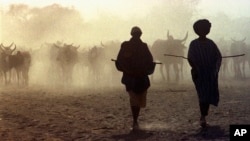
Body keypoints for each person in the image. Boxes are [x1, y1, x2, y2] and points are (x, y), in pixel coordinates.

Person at [115, 26, 154, 130]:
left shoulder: (144, 46)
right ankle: (135, 121)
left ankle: (135, 120)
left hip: (140, 77)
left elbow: (150, 60)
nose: (137, 36)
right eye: (135, 34)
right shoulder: (126, 46)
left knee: (139, 100)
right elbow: (120, 61)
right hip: (131, 77)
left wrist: (147, 67)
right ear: (132, 35)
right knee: (134, 99)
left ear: (140, 35)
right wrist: (128, 70)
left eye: (138, 34)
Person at [187, 19, 222, 128]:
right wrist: (196, 68)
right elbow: (190, 58)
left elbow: (218, 57)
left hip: (210, 74)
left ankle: (204, 115)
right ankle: (203, 116)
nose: (205, 30)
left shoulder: (211, 43)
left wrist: (215, 68)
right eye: (203, 29)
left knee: (208, 94)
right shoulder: (194, 44)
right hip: (199, 74)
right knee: (202, 94)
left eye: (206, 29)